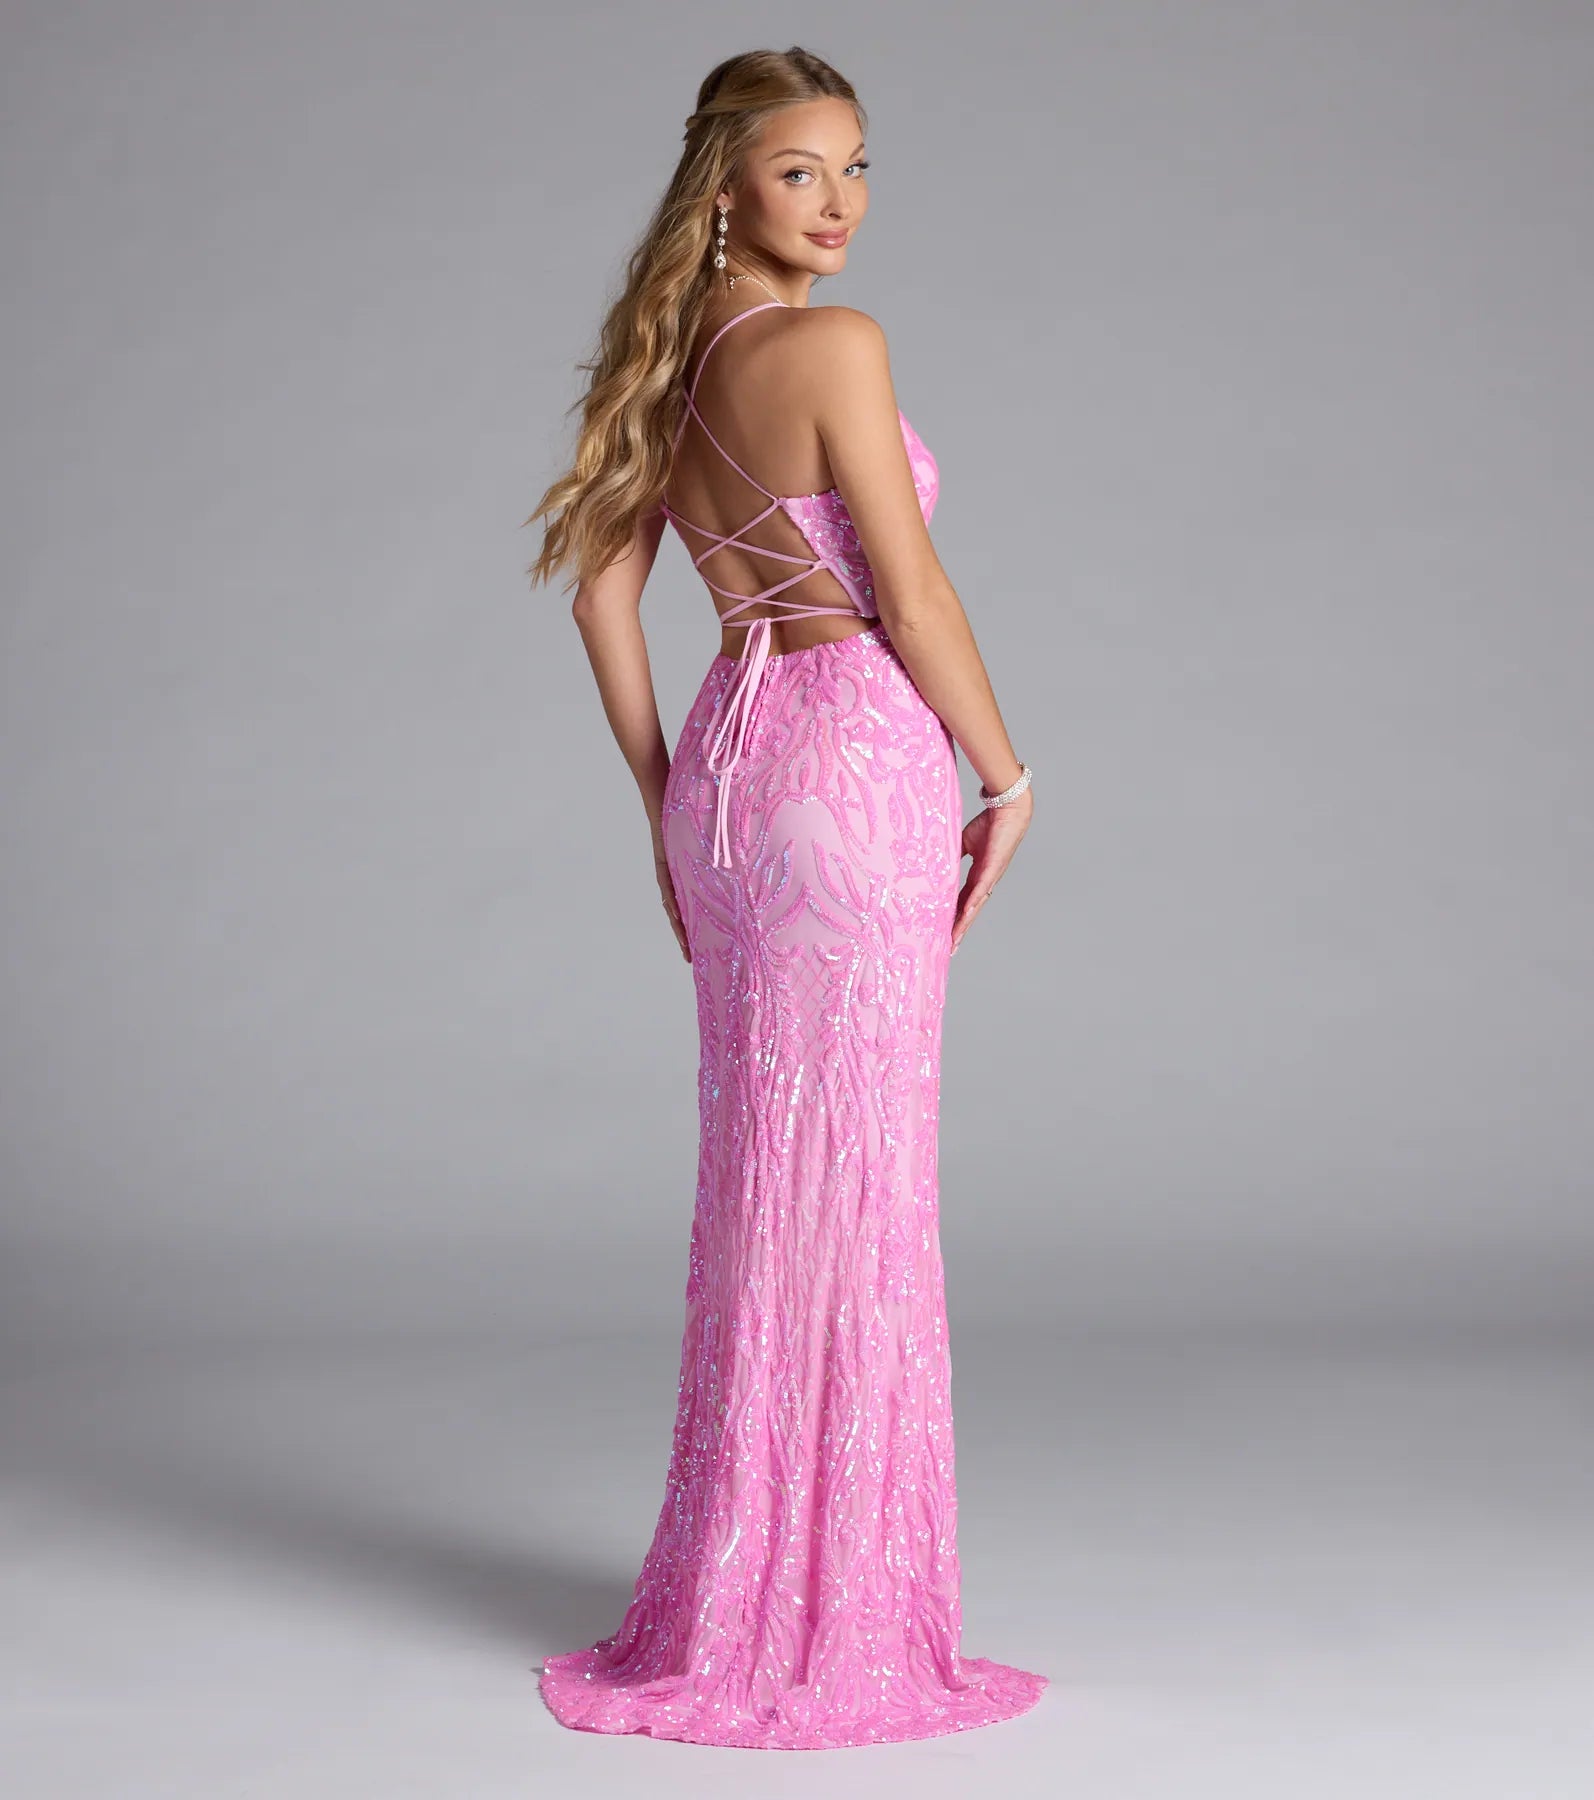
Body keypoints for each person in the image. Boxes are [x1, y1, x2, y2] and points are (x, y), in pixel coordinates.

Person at [523, 45, 1043, 1749]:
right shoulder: (835, 348)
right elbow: (913, 594)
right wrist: (1005, 775)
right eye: (802, 170)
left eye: (858, 167)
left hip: (731, 775)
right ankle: (831, 1618)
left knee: (766, 1169)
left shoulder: (666, 365)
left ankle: (740, 1590)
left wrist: (663, 802)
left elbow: (603, 602)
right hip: (852, 755)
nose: (840, 203)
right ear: (725, 185)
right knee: (858, 1173)